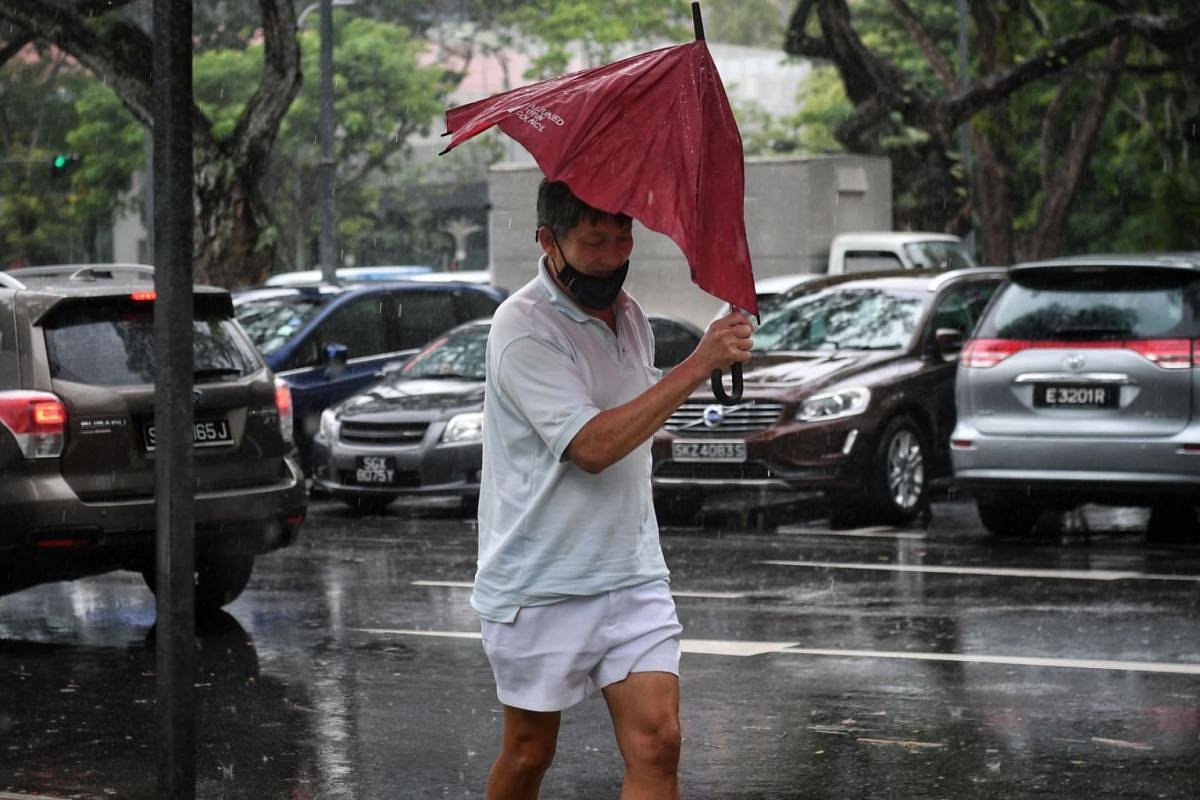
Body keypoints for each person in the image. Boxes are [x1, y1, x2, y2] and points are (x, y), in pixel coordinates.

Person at [472, 178, 754, 799]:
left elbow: (638, 422)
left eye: (621, 235)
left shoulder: (631, 319)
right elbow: (593, 447)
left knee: (659, 742)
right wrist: (698, 364)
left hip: (629, 572)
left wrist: (707, 362)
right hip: (540, 580)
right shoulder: (521, 327)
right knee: (527, 754)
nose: (612, 253)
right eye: (593, 239)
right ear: (549, 242)